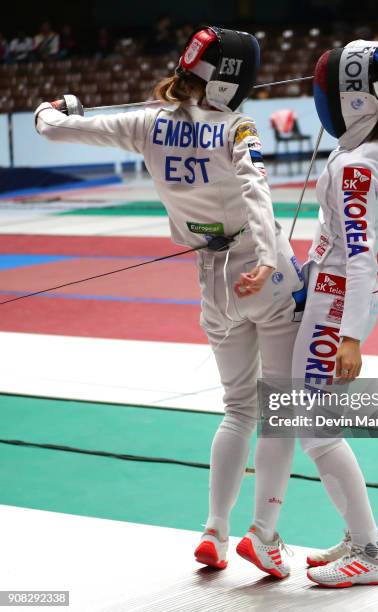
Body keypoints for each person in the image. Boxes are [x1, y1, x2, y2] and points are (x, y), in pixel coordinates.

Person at [34, 27, 304, 579]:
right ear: (232, 81)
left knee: (237, 409)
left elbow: (56, 128)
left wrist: (54, 108)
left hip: (212, 281)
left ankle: (214, 530)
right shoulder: (237, 126)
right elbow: (256, 187)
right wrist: (270, 263)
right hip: (261, 271)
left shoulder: (145, 123)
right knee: (280, 410)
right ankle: (264, 536)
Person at [285, 40, 378, 587]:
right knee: (314, 425)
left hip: (338, 298)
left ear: (352, 103)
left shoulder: (357, 166)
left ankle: (370, 553)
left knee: (316, 430)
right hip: (332, 289)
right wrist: (365, 51)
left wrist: (350, 338)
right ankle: (357, 534)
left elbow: (362, 257)